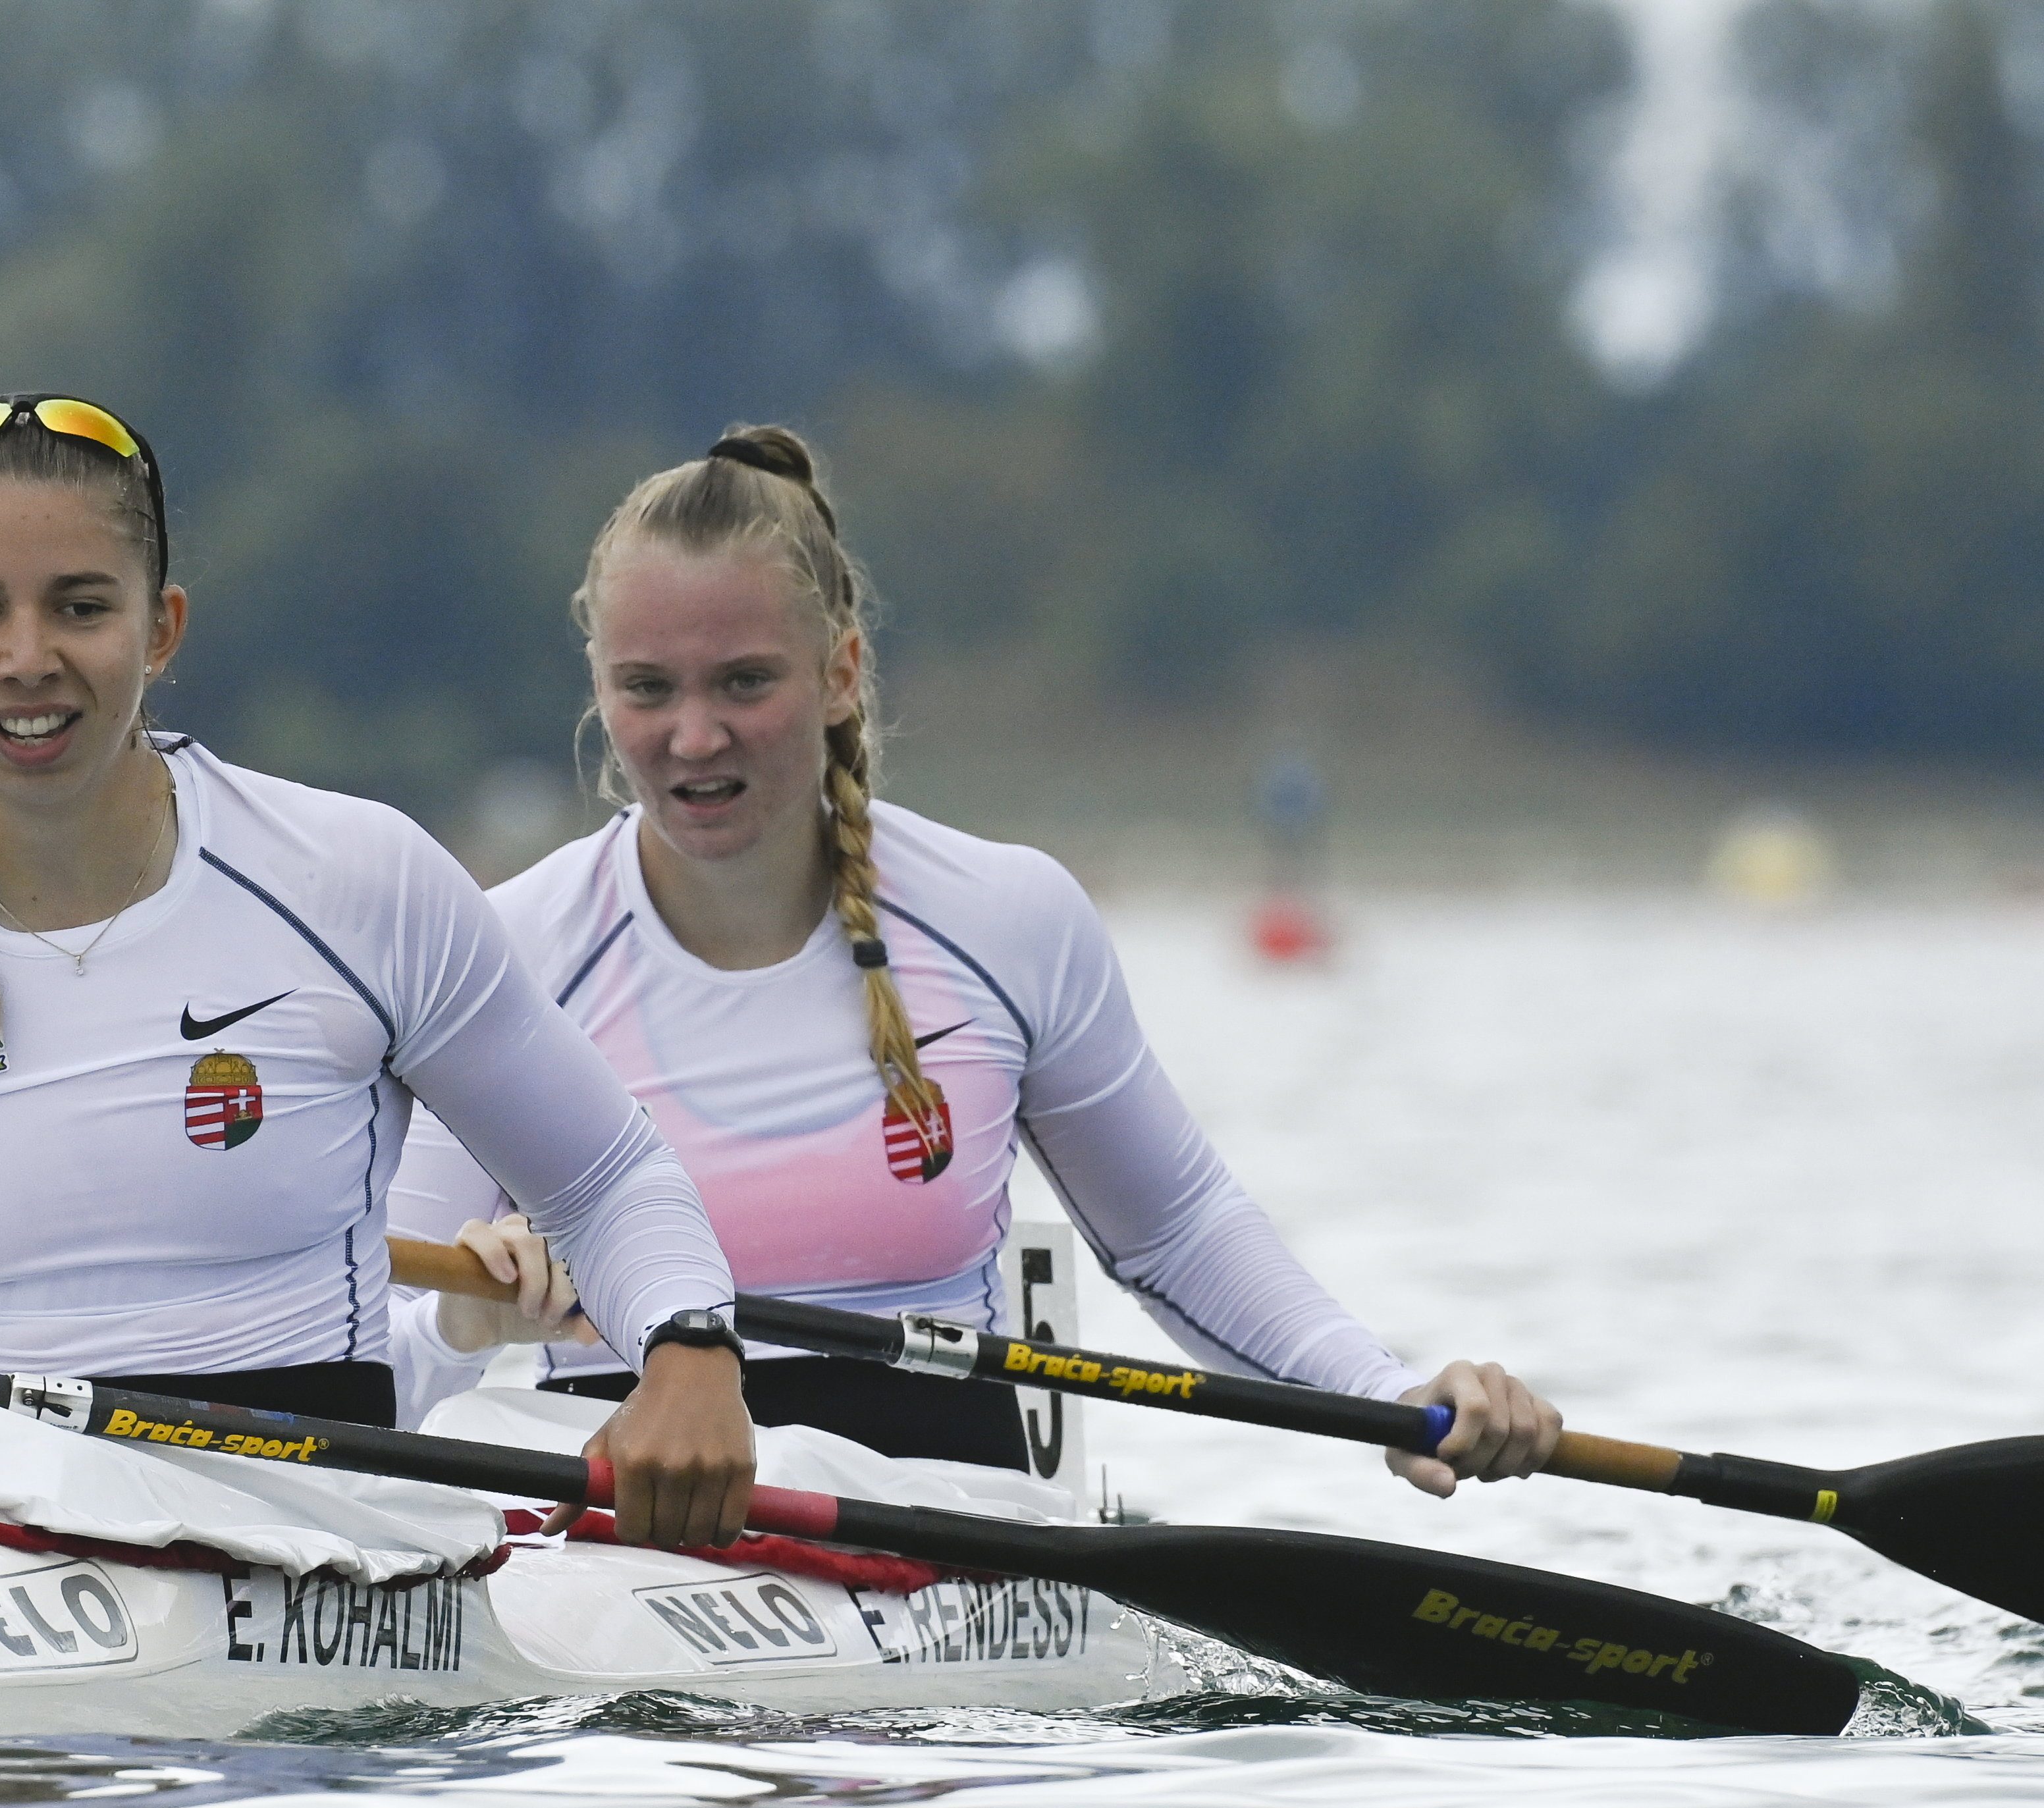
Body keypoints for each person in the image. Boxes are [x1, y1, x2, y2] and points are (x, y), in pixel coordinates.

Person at [0, 395, 759, 1545]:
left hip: (318, 1548)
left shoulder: (356, 881)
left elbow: (605, 1179)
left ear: (161, 628)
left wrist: (693, 1357)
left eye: (79, 605)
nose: (26, 657)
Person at [388, 427, 1560, 1499]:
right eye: (648, 689)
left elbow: (1177, 1231)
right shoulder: (507, 950)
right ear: (600, 687)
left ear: (841, 671)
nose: (694, 737)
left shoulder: (1005, 920)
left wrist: (1381, 1397)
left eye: (746, 681)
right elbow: (365, 1335)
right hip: (624, 1538)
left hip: (952, 1529)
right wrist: (462, 1325)